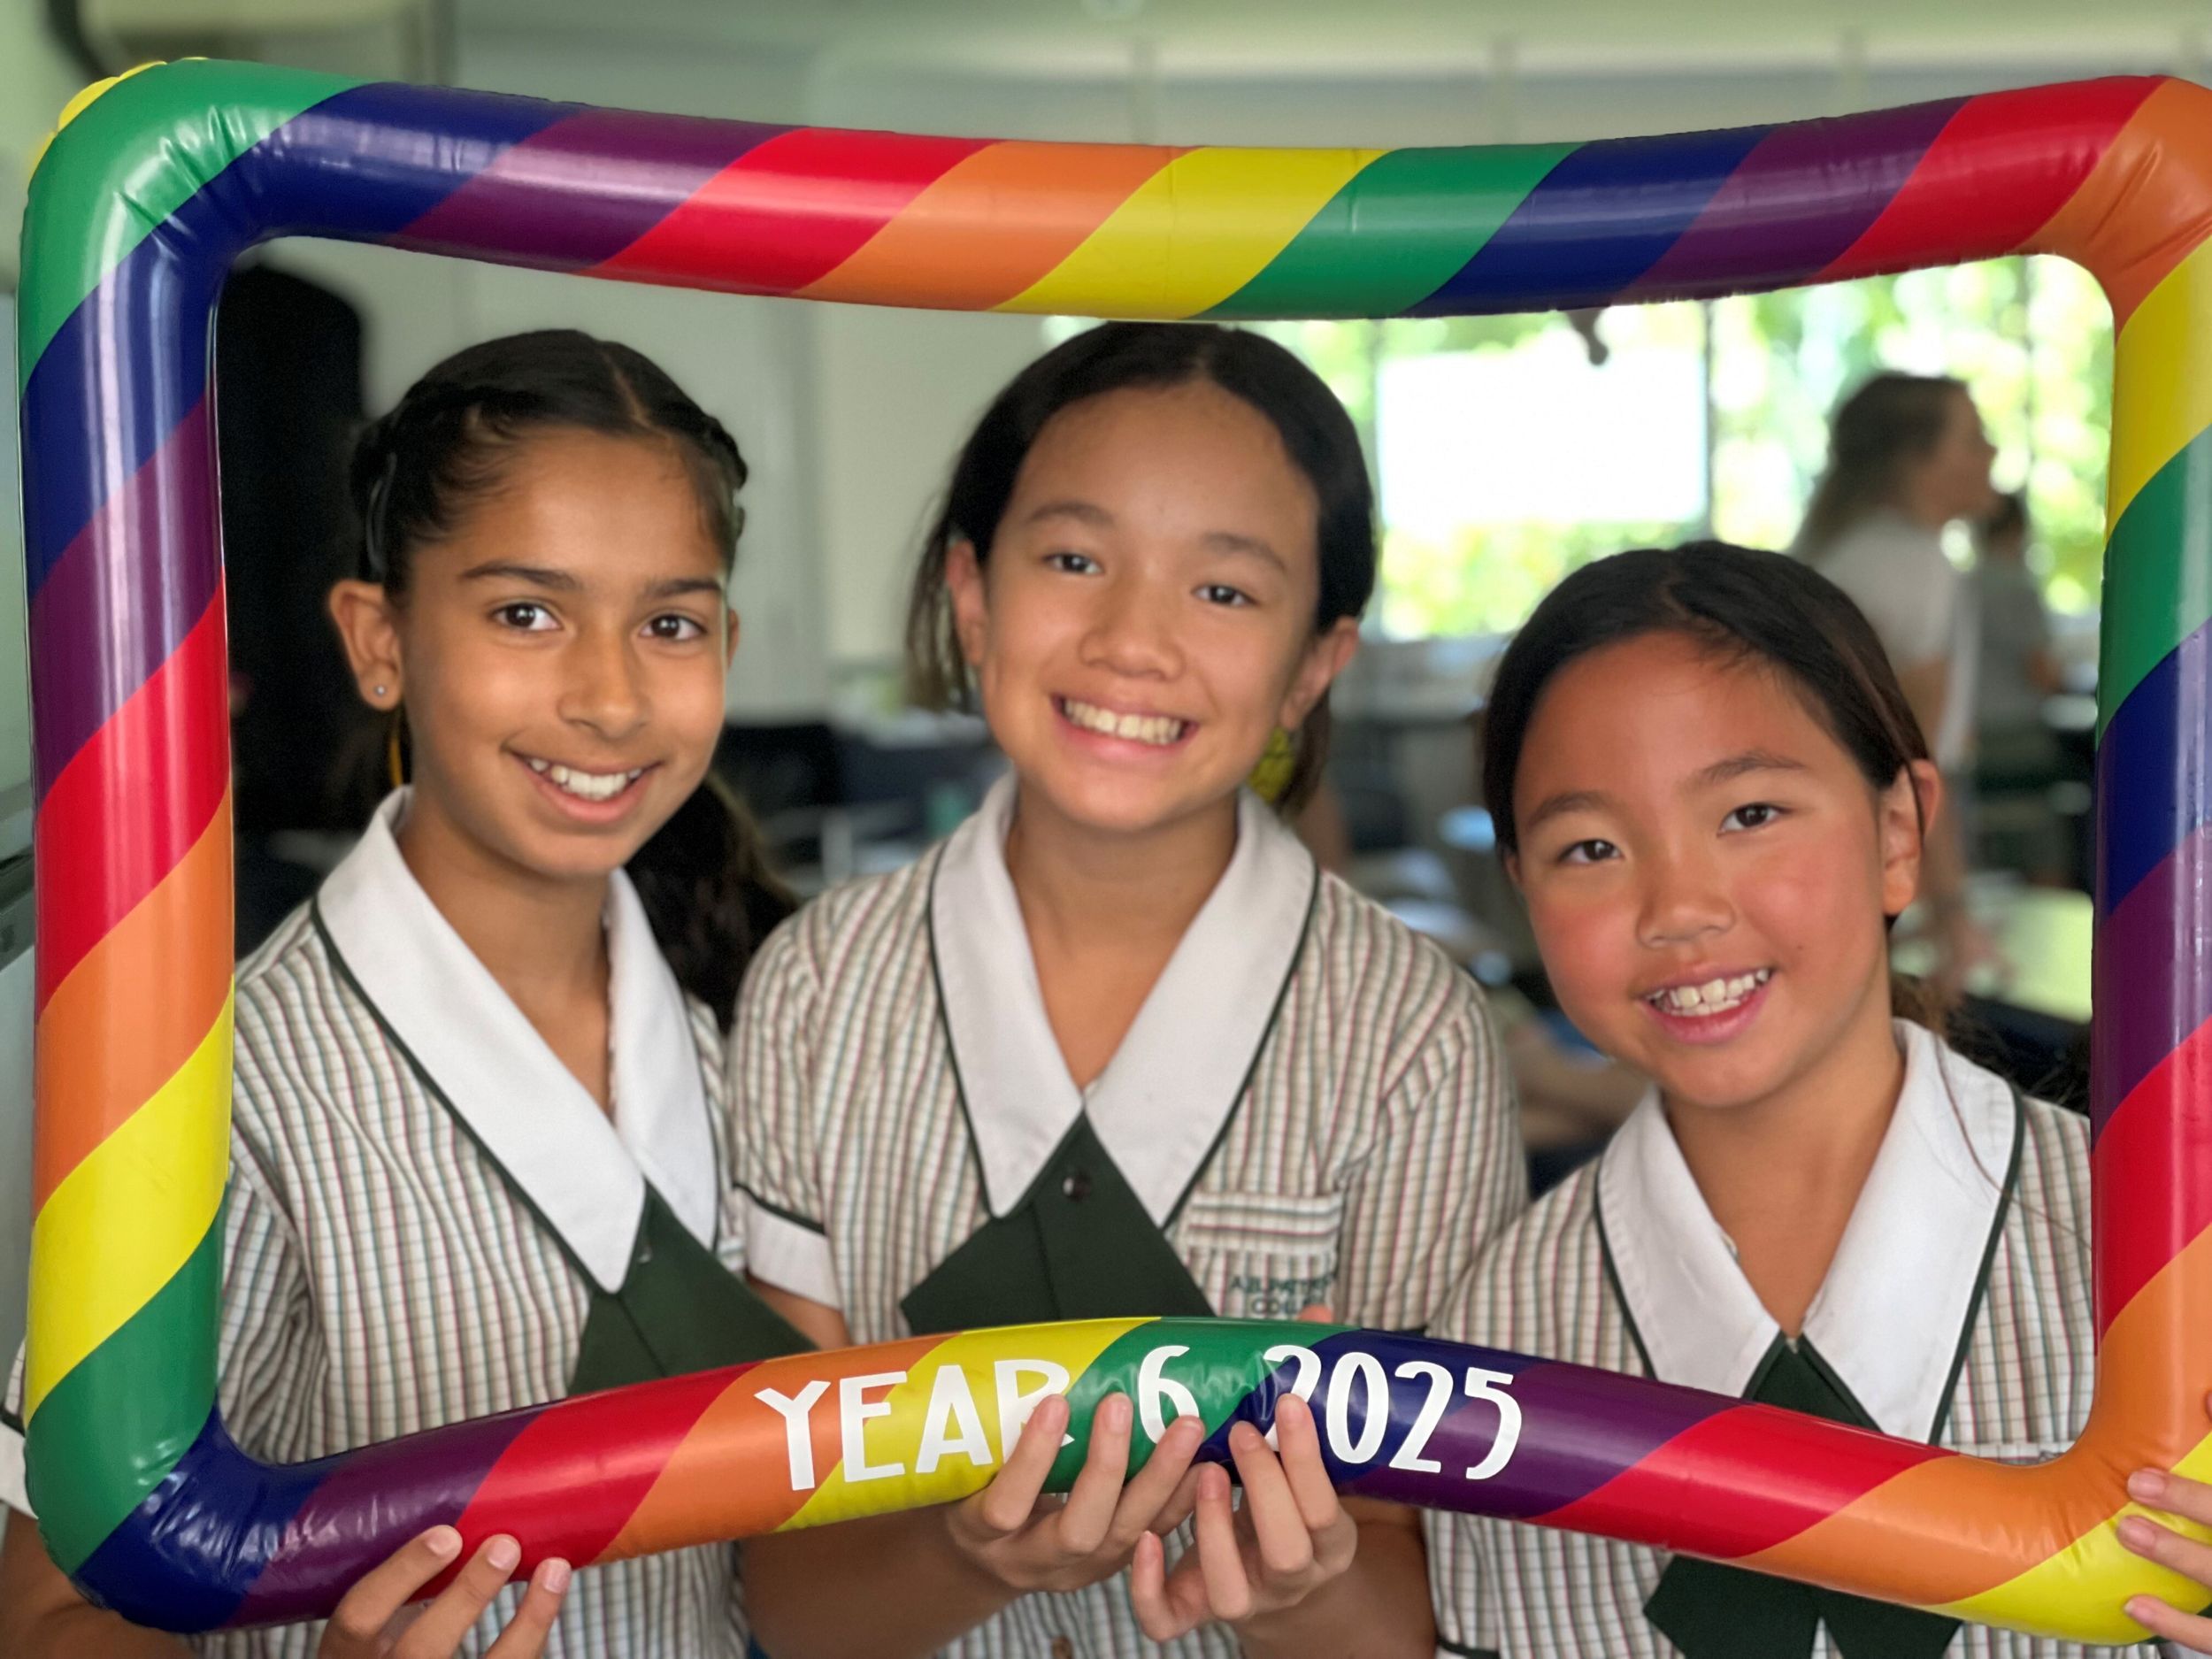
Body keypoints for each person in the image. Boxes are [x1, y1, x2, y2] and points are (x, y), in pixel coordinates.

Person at [0, 330, 803, 1657]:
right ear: (379, 642)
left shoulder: (760, 1030)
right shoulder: (227, 1089)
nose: (610, 698)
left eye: (669, 623)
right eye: (526, 613)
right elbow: (45, 1604)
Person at [730, 321, 1524, 1659]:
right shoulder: (817, 991)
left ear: (1312, 666)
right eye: (1074, 560)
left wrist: (1295, 1587)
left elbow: (1408, 1605)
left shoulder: (1411, 1037)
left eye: (1223, 589)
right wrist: (959, 1553)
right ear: (972, 597)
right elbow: (786, 1598)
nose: (1133, 641)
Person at [1425, 540, 2212, 1657]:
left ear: (1898, 831)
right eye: (1589, 847)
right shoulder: (1497, 1342)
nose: (1679, 907)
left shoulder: (2161, 1263)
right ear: (1522, 892)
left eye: (1749, 814)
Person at [1793, 373, 2001, 983]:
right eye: (1972, 438)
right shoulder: (1907, 565)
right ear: (1916, 458)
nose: (1991, 452)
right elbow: (1912, 760)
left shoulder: (1859, 553)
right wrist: (1953, 919)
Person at [1970, 493, 2070, 883]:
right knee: (2040, 849)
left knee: (1989, 854)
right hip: (2018, 737)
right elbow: (2042, 673)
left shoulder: (1962, 585)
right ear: (2019, 528)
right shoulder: (2017, 587)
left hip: (1974, 737)